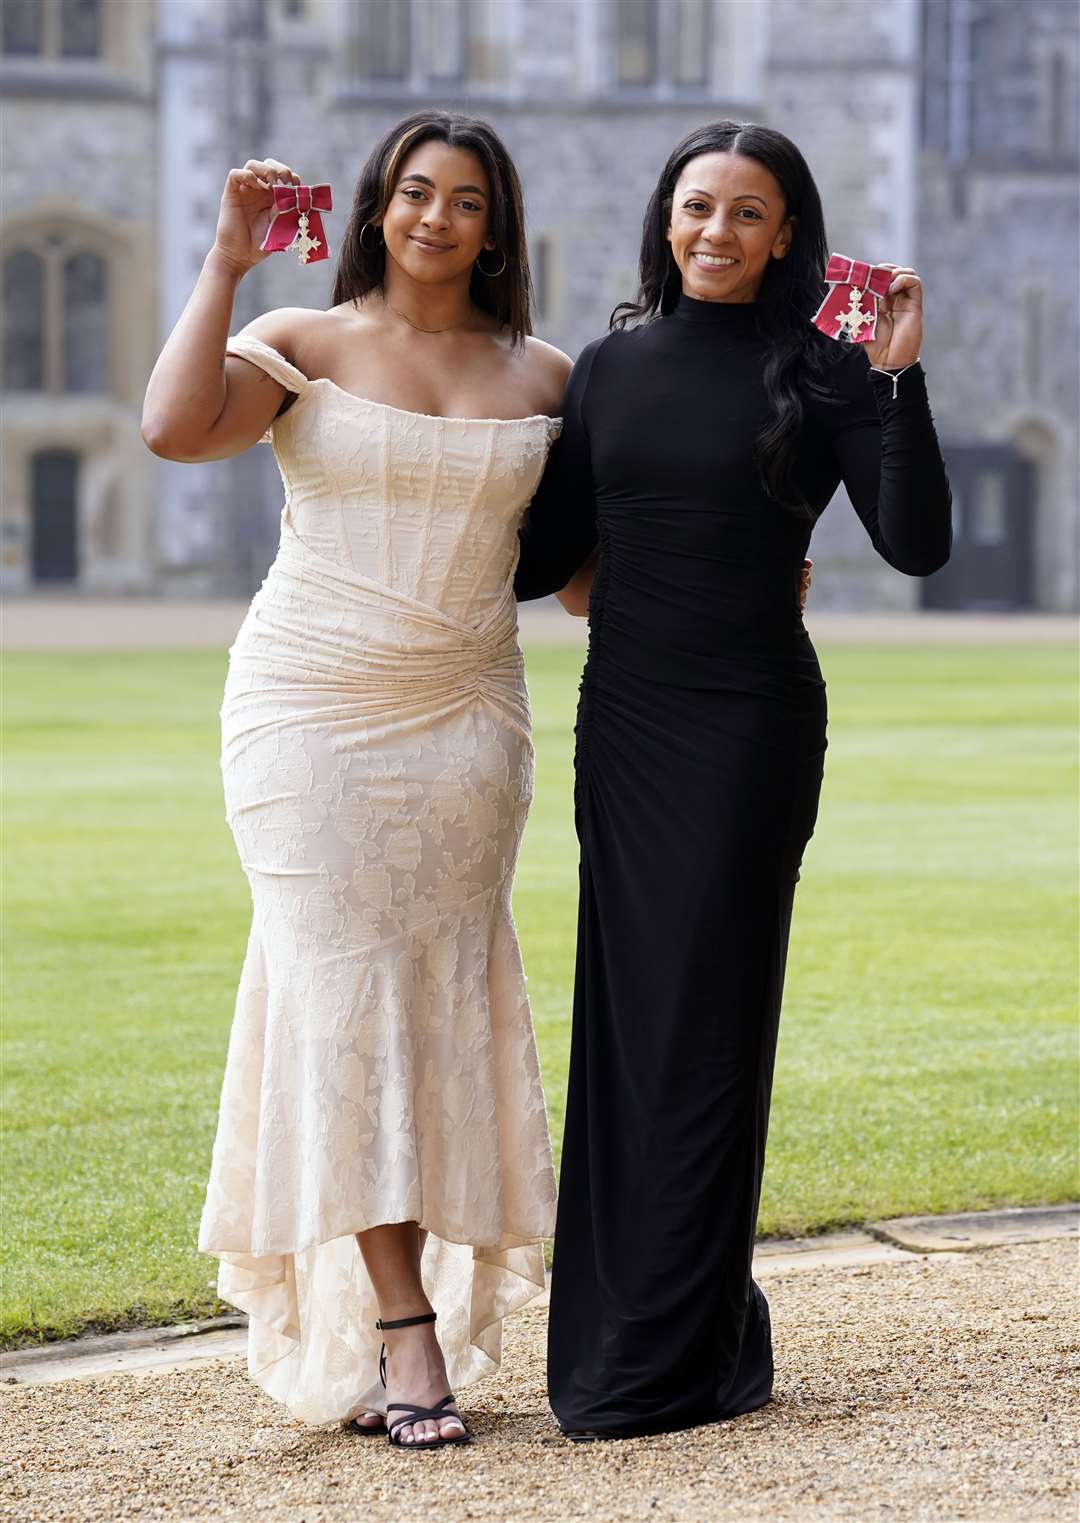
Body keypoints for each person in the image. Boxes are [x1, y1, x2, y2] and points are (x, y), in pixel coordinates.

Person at [514, 120, 952, 1439]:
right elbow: (543, 560)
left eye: (748, 214)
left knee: (709, 1024)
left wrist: (900, 384)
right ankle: (668, 1333)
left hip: (749, 727)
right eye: (698, 207)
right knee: (629, 1019)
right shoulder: (606, 366)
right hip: (628, 726)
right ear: (666, 219)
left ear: (786, 235)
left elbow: (920, 542)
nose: (717, 232)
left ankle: (671, 1356)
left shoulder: (818, 369)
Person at [141, 111, 570, 1448]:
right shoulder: (304, 341)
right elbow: (174, 427)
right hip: (309, 713)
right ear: (379, 208)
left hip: (467, 723)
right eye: (412, 192)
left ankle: (432, 1288)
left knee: (441, 1003)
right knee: (339, 1003)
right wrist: (223, 260)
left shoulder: (549, 375)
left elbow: (582, 572)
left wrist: (760, 553)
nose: (435, 216)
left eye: (464, 199)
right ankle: (403, 1322)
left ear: (495, 223)